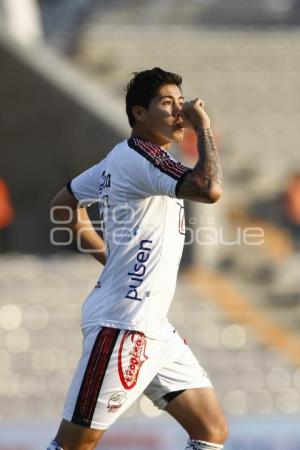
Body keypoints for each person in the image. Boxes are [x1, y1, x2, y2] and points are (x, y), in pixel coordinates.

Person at [47, 67, 227, 450]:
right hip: (122, 323)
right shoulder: (144, 157)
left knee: (211, 431)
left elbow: (64, 204)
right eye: (167, 104)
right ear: (138, 114)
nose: (180, 112)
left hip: (154, 327)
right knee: (74, 444)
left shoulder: (119, 156)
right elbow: (209, 188)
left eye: (182, 103)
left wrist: (110, 258)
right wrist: (204, 129)